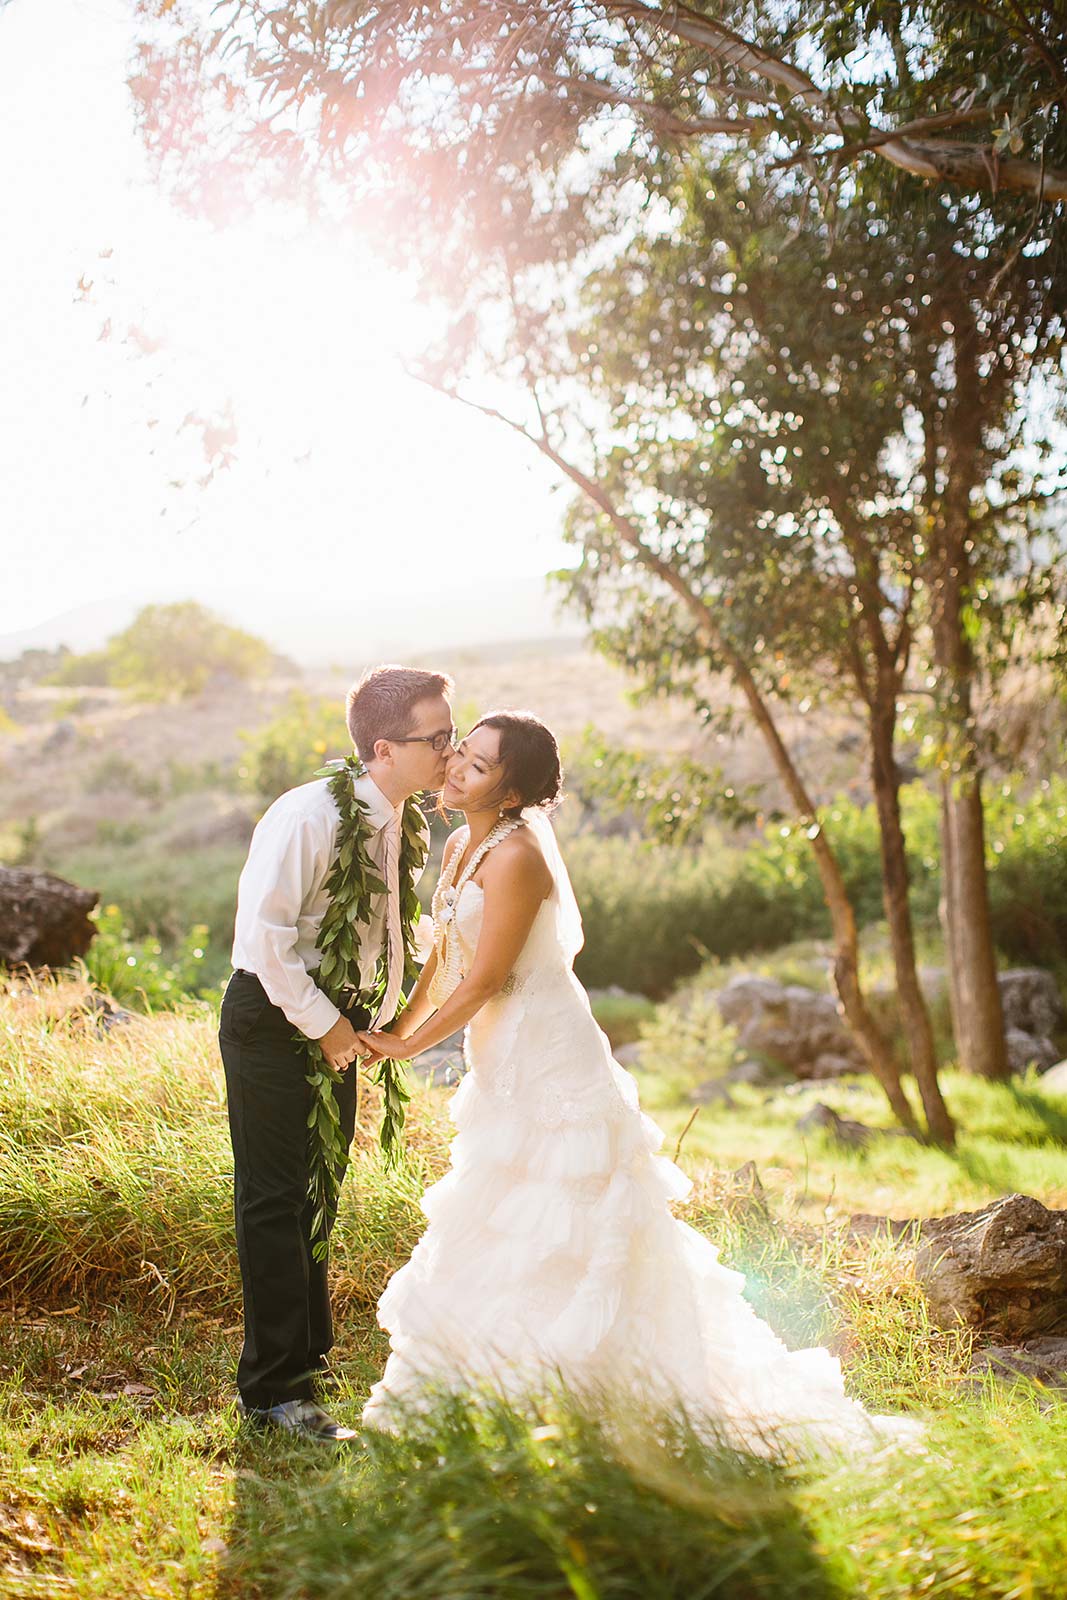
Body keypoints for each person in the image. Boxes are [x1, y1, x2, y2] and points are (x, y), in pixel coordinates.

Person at [357, 710, 921, 1455]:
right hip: (500, 1057)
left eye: (480, 764)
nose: (457, 765)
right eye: (461, 751)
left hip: (549, 1055)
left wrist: (404, 1047)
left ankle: (597, 1392)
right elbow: (445, 961)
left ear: (515, 788)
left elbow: (490, 977)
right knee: (503, 1211)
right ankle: (493, 1384)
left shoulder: (518, 857)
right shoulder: (463, 843)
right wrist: (401, 1019)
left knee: (570, 1212)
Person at [218, 664, 454, 1442]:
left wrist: (380, 1017)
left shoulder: (396, 818)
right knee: (275, 1198)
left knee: (319, 1190)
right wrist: (326, 1025)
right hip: (278, 1018)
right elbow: (265, 940)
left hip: (336, 1023)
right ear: (384, 747)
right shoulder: (310, 814)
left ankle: (305, 1366)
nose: (450, 751)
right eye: (438, 738)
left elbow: (372, 932)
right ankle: (272, 1393)